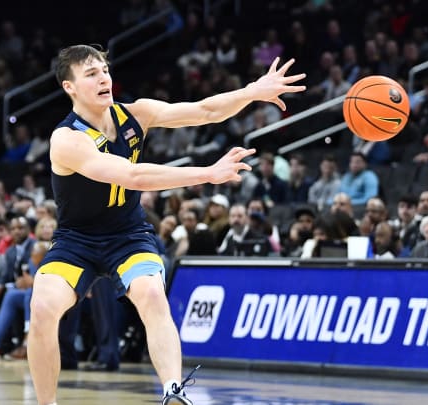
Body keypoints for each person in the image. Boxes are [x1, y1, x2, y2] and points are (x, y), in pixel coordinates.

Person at [29, 44, 305, 405]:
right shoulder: (66, 139)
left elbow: (204, 111)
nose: (103, 79)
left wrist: (252, 91)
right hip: (76, 240)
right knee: (43, 308)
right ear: (70, 87)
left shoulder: (136, 113)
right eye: (91, 74)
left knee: (152, 294)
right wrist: (207, 172)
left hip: (127, 235)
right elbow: (134, 176)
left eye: (104, 70)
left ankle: (173, 392)